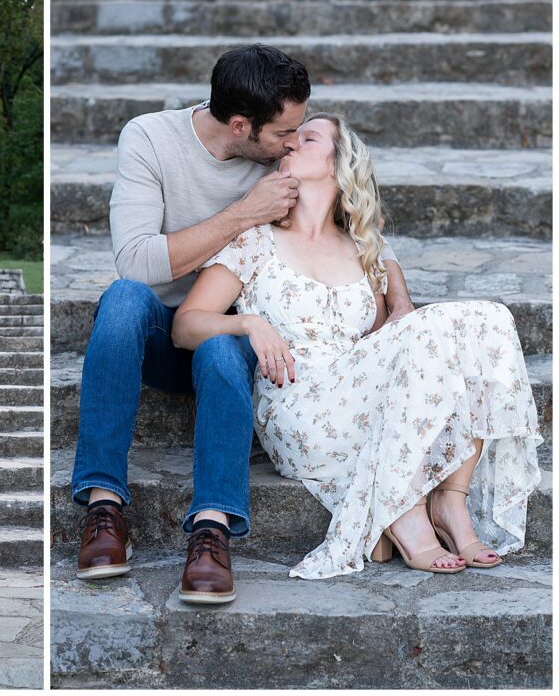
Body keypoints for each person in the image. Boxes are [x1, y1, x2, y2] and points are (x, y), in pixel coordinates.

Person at [71, 44, 417, 603]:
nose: (293, 141)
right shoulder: (151, 139)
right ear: (240, 126)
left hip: (243, 343)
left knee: (221, 347)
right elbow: (135, 261)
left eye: (301, 131)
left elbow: (354, 221)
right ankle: (103, 507)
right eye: (285, 132)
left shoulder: (281, 154)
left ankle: (212, 530)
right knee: (124, 299)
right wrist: (243, 214)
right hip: (166, 332)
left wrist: (398, 300)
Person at [172, 114, 542, 578]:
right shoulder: (254, 242)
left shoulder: (364, 248)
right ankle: (408, 514)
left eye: (308, 138)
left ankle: (451, 502)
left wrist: (402, 311)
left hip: (356, 395)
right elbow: (184, 326)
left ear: (337, 164)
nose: (290, 144)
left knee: (489, 319)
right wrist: (248, 323)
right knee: (446, 328)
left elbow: (390, 342)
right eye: (290, 139)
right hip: (297, 404)